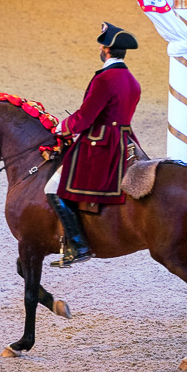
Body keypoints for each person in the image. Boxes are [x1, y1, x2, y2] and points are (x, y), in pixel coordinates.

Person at [44, 22, 141, 266]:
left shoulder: (105, 79)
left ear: (106, 49)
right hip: (125, 139)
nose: (100, 47)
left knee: (54, 187)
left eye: (102, 44)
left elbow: (85, 117)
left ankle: (78, 244)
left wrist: (62, 127)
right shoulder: (131, 80)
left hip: (101, 143)